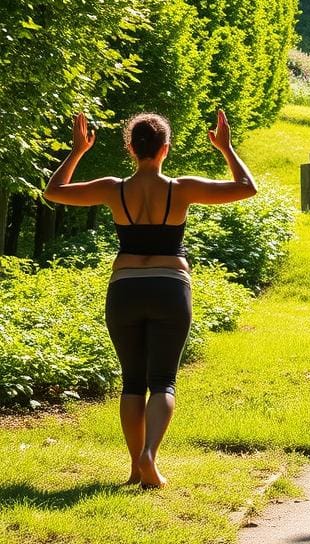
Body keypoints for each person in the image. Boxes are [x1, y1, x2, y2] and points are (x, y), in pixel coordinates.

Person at [44, 110, 256, 488]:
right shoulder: (182, 188)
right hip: (170, 286)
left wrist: (77, 152)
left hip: (125, 288)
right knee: (163, 381)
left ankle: (133, 466)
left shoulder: (113, 188)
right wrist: (226, 147)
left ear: (130, 148)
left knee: (131, 382)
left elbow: (54, 191)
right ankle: (150, 456)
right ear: (165, 149)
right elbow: (245, 186)